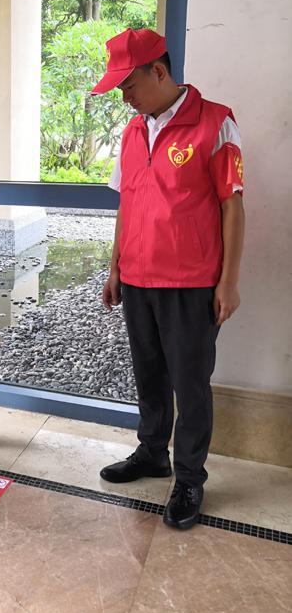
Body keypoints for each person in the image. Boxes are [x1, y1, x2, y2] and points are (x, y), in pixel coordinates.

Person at [96, 28, 245, 530]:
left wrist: (228, 281)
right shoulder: (133, 131)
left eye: (129, 84)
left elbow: (232, 206)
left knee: (190, 384)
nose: (124, 96)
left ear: (158, 72)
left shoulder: (216, 122)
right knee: (149, 374)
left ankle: (189, 478)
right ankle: (152, 452)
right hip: (138, 279)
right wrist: (116, 266)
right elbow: (127, 202)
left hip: (190, 283)